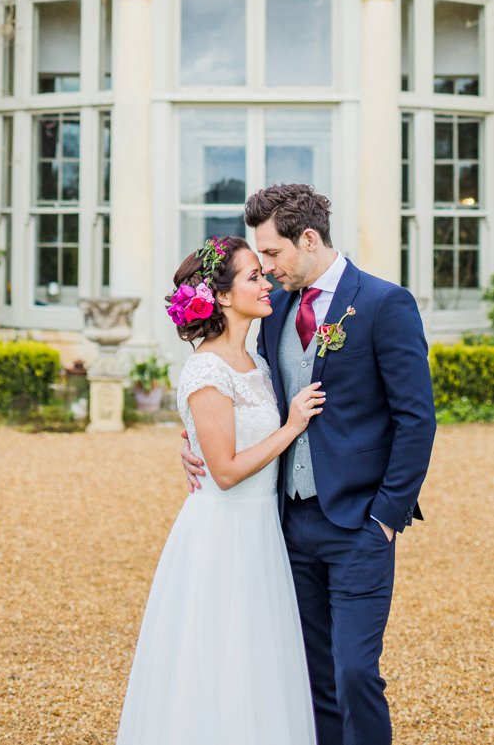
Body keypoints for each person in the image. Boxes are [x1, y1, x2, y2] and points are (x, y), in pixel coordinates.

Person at [182, 184, 436, 745]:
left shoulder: (382, 303)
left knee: (354, 673)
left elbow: (416, 419)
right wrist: (195, 439)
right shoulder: (275, 313)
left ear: (310, 238)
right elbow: (248, 397)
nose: (266, 268)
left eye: (271, 254)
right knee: (310, 676)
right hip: (287, 526)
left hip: (359, 524)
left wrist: (386, 516)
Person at [115, 234, 323, 745]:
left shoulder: (257, 361)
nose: (266, 280)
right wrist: (291, 426)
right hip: (222, 535)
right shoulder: (207, 368)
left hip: (261, 532)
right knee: (217, 665)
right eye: (254, 275)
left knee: (258, 665)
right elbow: (225, 471)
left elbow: (217, 440)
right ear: (224, 296)